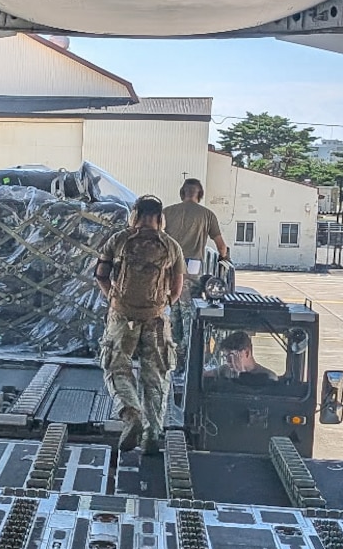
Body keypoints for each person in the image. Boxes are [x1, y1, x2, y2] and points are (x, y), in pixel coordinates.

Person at [95, 195, 185, 452]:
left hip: (122, 317)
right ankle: (152, 435)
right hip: (155, 320)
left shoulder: (118, 240)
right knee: (156, 377)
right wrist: (161, 305)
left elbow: (100, 275)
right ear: (160, 218)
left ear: (135, 215)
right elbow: (177, 289)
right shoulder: (172, 247)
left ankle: (131, 413)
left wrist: (114, 299)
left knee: (117, 368)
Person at [163, 179, 228, 366]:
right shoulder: (207, 215)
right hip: (192, 270)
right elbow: (221, 247)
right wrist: (224, 258)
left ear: (182, 192)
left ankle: (174, 357)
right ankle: (188, 358)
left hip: (169, 269)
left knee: (172, 311)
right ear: (200, 194)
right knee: (189, 314)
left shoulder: (167, 212)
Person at [206, 330, 277, 387]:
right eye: (225, 356)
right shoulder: (224, 370)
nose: (228, 361)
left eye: (231, 356)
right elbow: (203, 377)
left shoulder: (269, 377)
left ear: (247, 353)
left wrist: (241, 372)